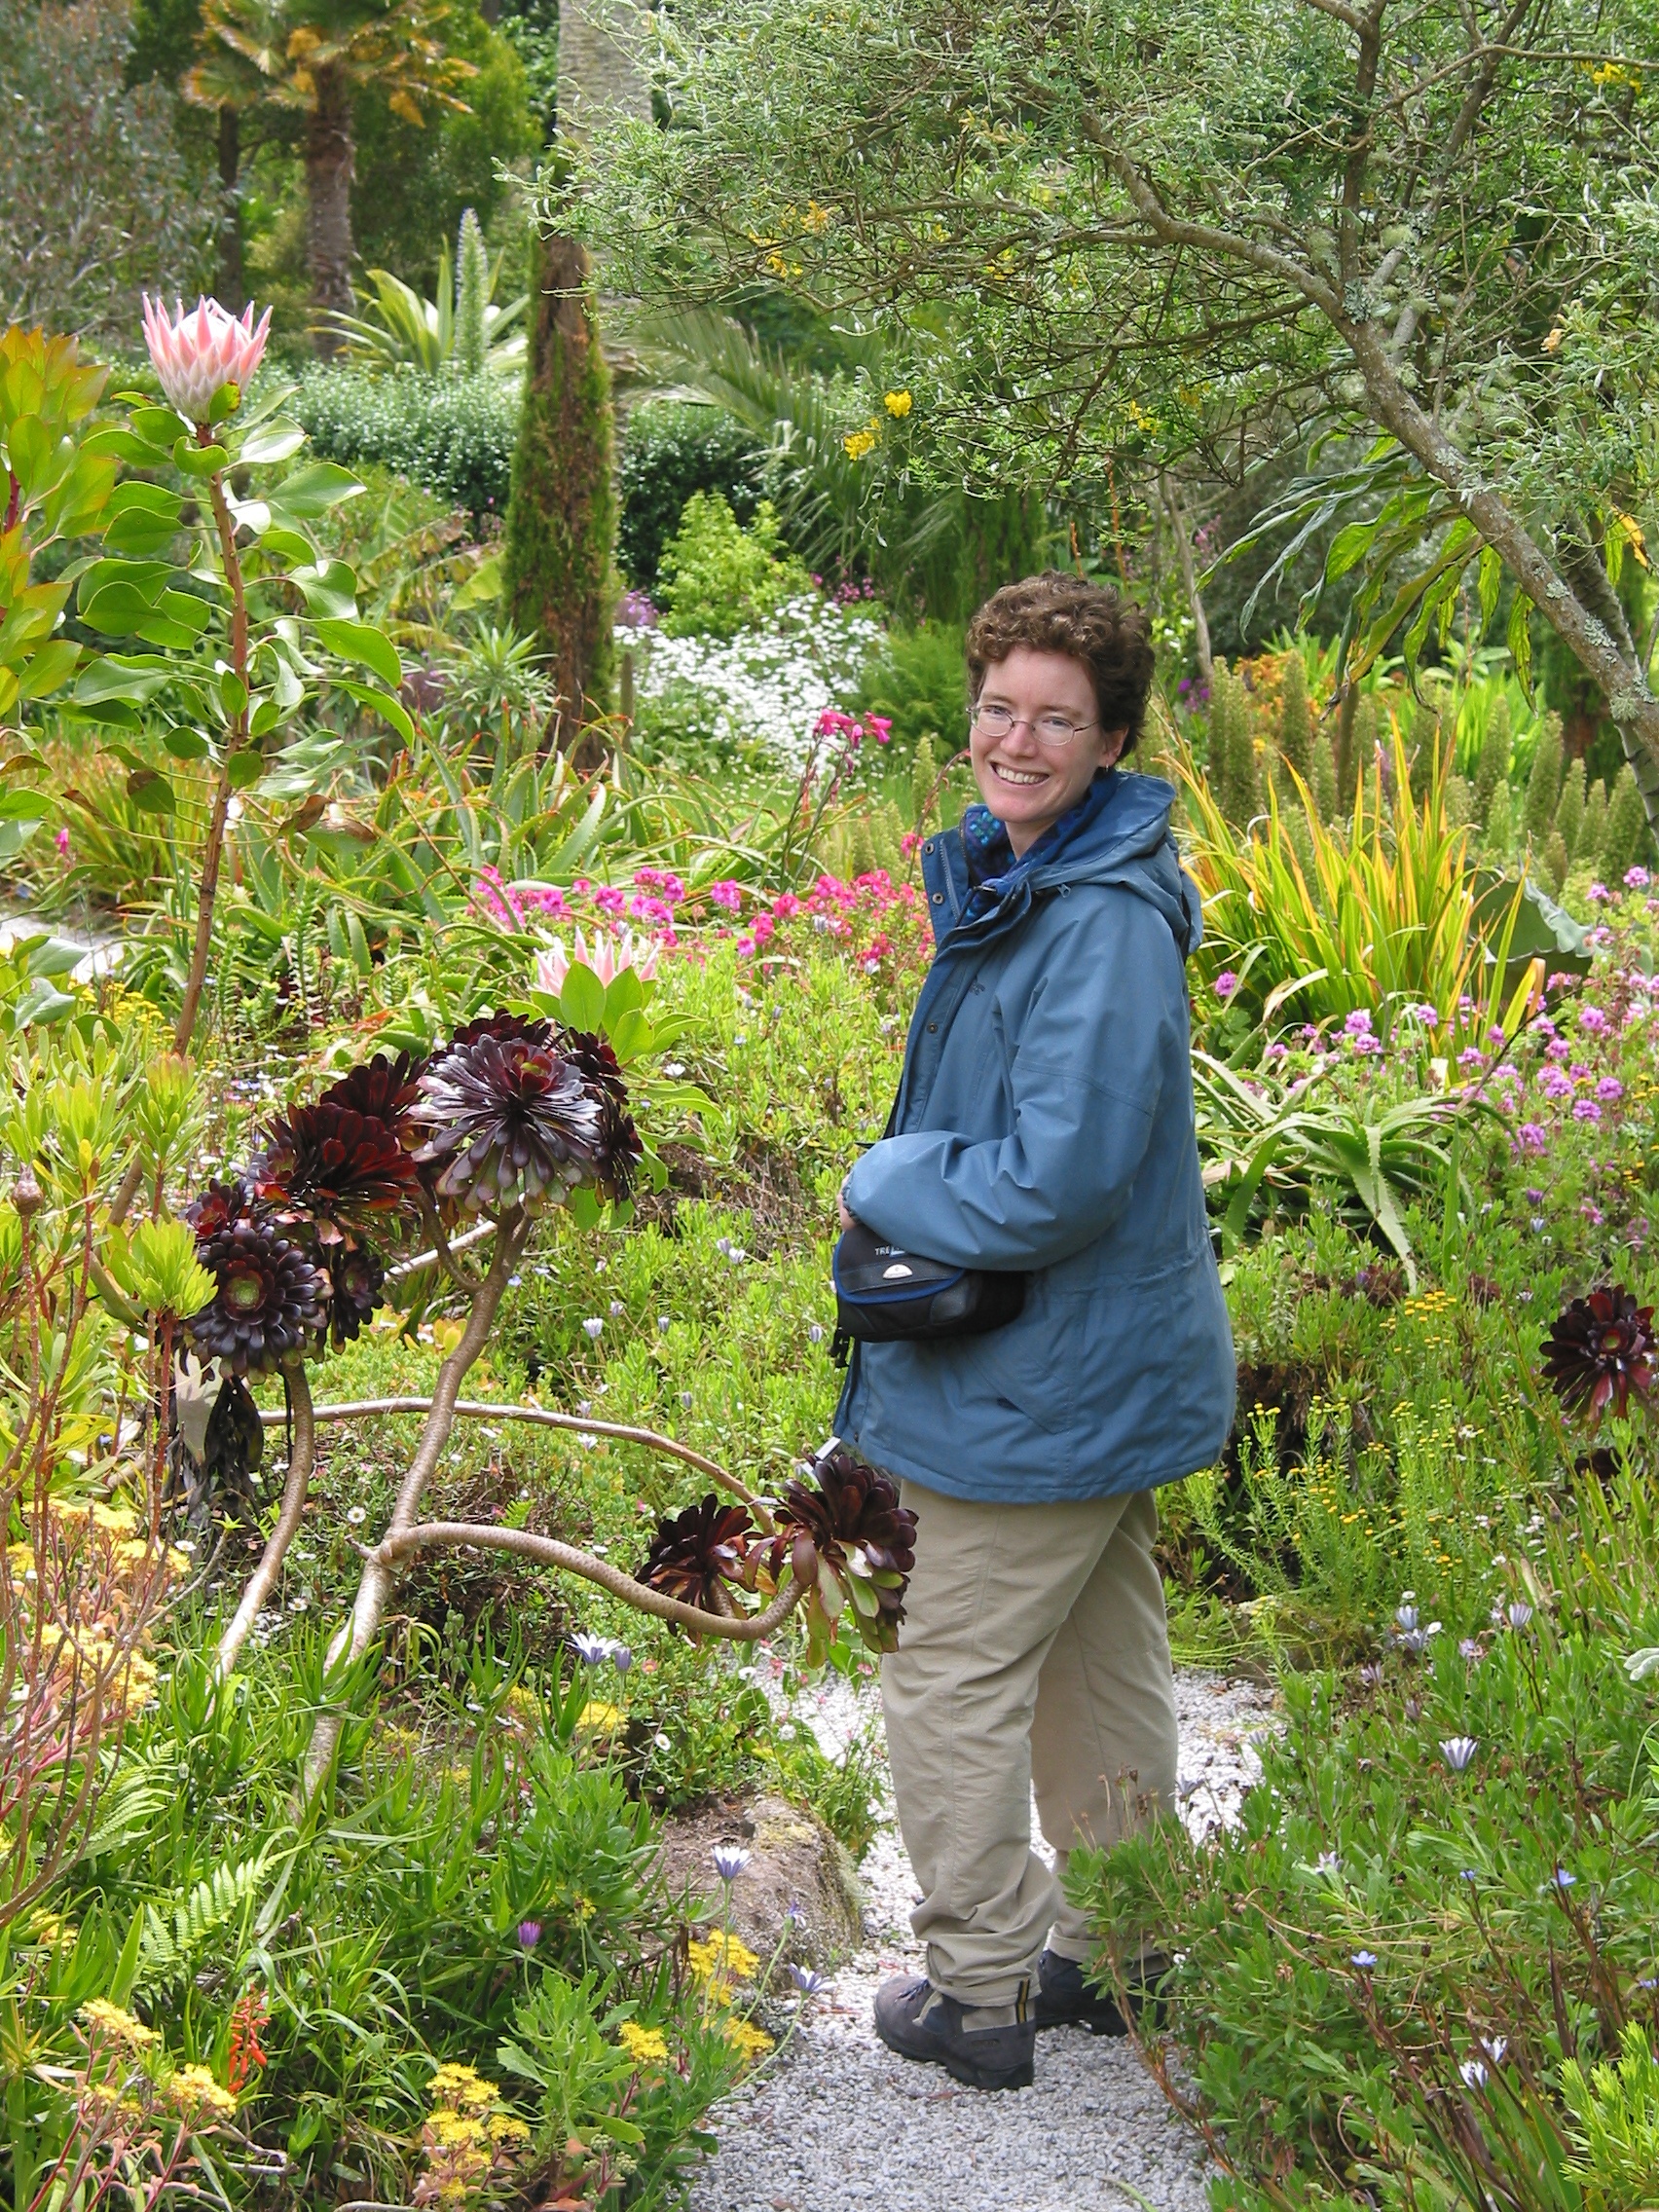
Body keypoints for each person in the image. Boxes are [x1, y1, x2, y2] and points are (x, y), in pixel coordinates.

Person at [833, 571, 1235, 2092]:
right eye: (999, 704)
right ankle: (1127, 1949)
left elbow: (1054, 1181)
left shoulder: (1101, 920)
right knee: (1095, 1658)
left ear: (1112, 737)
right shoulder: (1030, 873)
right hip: (1080, 1372)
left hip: (1042, 1384)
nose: (1018, 737)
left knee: (946, 1671)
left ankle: (983, 1989)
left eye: (1056, 717)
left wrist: (882, 1173)